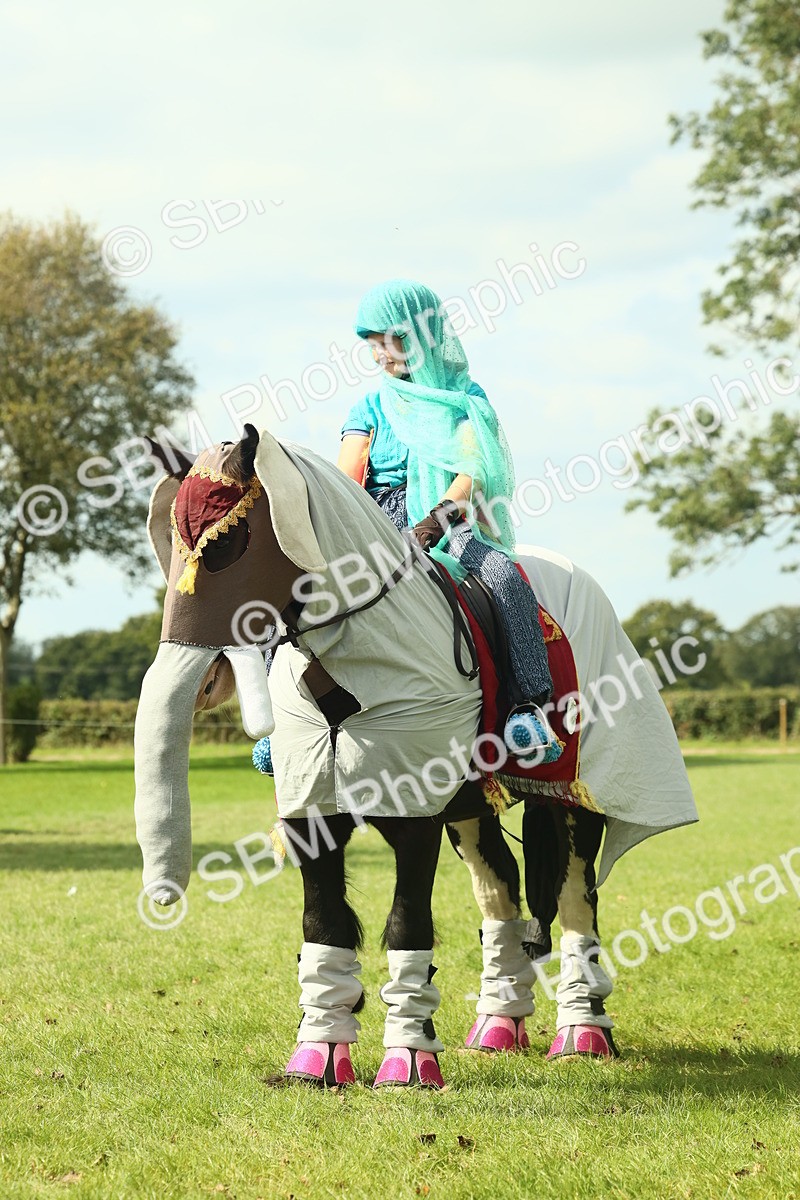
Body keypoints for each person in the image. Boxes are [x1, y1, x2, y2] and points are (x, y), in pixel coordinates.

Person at [337, 278, 553, 711]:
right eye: (373, 345)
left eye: (388, 342)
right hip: (373, 517)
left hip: (444, 517)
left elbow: (474, 469)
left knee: (504, 578)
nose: (379, 355)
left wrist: (434, 522)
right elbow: (345, 480)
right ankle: (284, 720)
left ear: (420, 337)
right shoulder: (369, 408)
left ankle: (527, 704)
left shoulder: (465, 398)